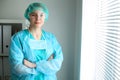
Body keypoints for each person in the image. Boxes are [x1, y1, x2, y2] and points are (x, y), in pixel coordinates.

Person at [9, 2, 63, 80]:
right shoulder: (18, 38)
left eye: (41, 15)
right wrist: (46, 65)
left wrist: (33, 65)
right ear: (28, 16)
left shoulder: (51, 38)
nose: (38, 18)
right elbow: (17, 66)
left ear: (45, 16)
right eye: (33, 15)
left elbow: (57, 63)